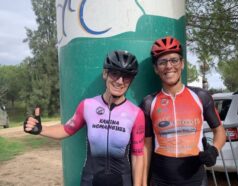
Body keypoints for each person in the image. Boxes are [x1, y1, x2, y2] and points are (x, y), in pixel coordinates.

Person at [24, 50, 145, 186]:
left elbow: (138, 156)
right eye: (114, 73)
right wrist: (41, 129)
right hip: (91, 180)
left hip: (122, 181)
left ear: (131, 80)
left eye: (126, 76)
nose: (120, 81)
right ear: (105, 74)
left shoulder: (136, 113)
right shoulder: (87, 105)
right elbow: (66, 129)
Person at [141, 36, 226, 186]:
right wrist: (142, 181)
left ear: (182, 64)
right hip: (160, 179)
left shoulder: (201, 96)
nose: (169, 66)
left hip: (195, 179)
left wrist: (214, 150)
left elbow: (220, 131)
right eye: (162, 62)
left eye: (174, 60)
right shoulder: (148, 102)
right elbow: (146, 146)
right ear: (156, 68)